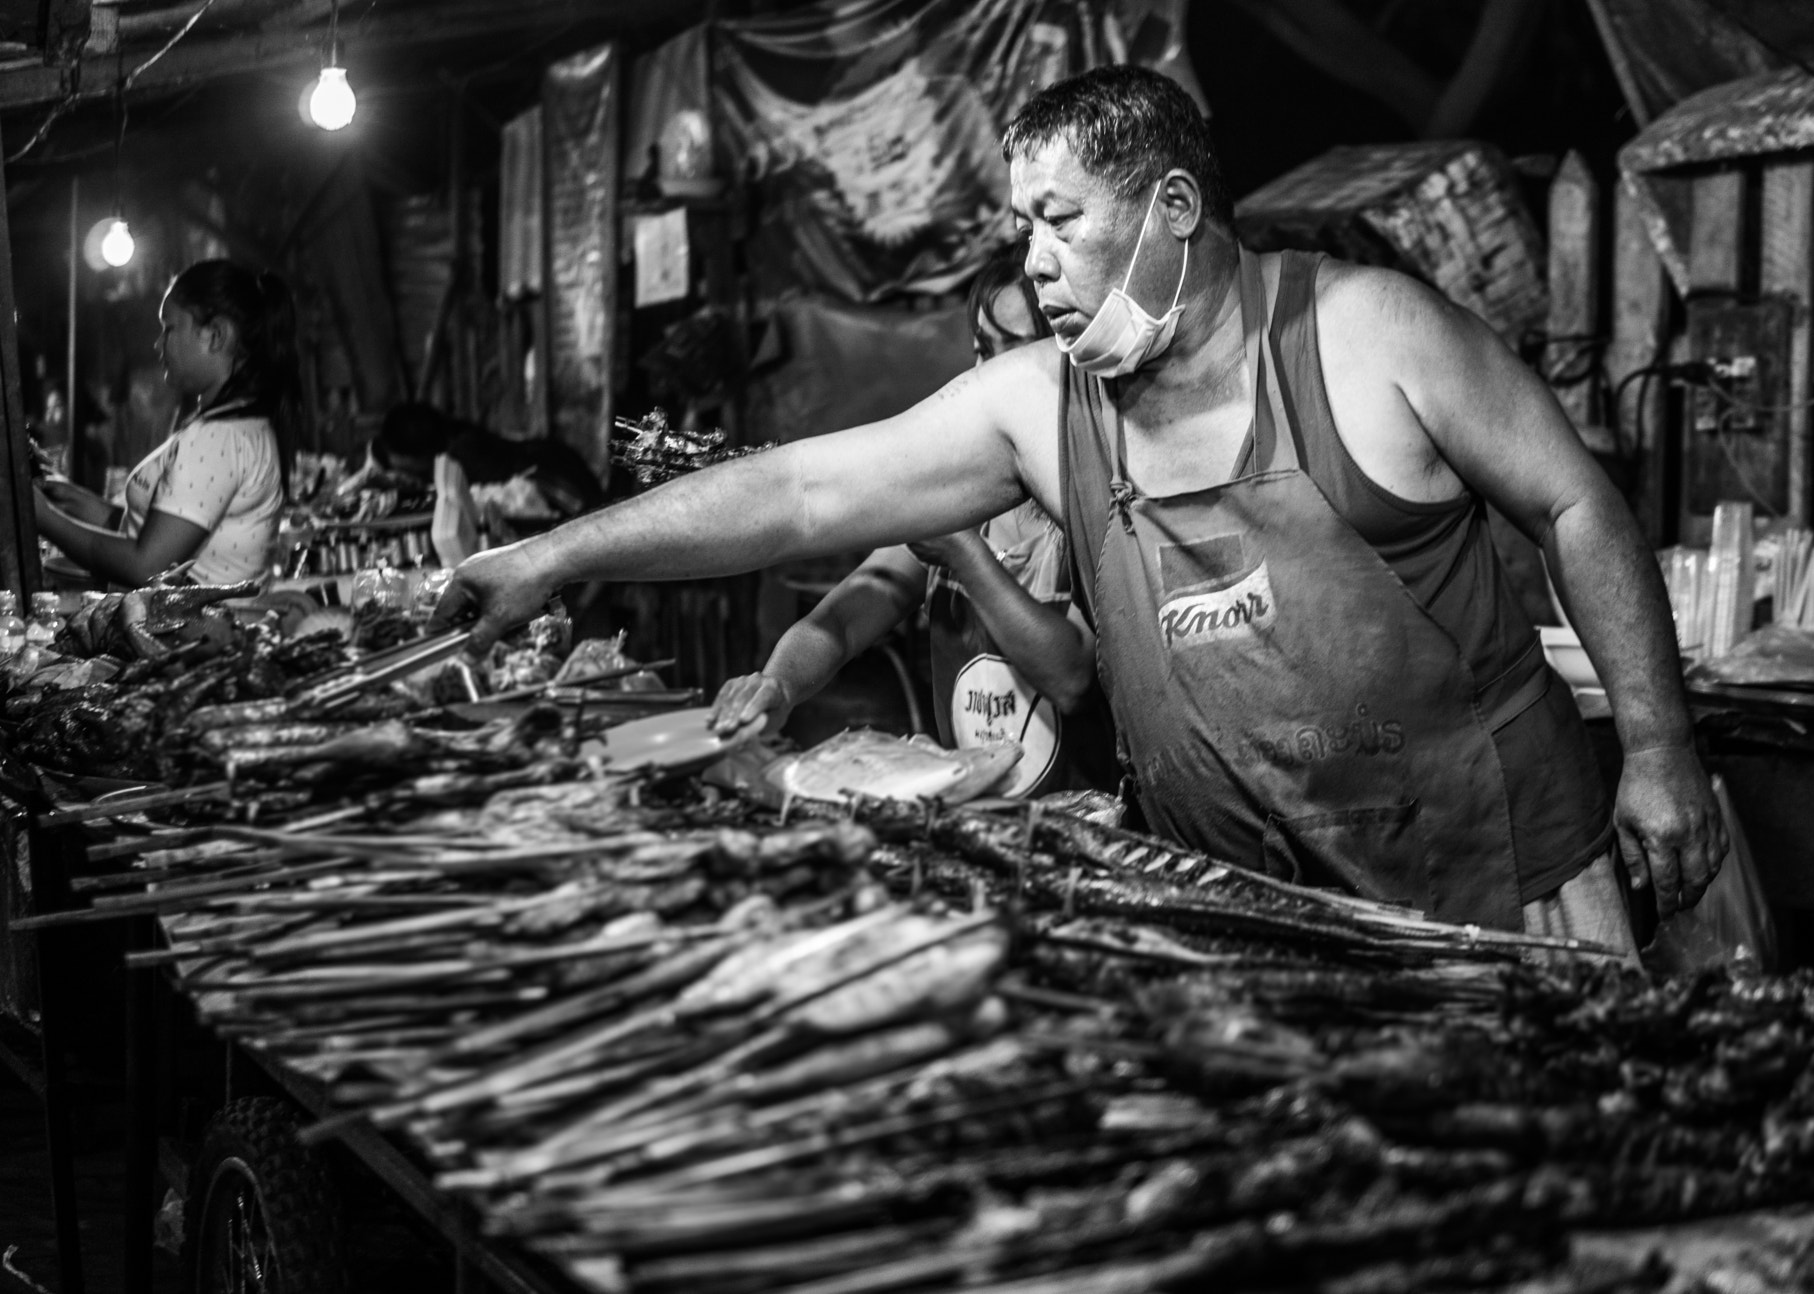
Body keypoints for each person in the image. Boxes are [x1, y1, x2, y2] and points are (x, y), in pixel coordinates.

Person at [436, 66, 1726, 945]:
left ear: (1172, 207)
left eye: (1059, 221)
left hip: (1492, 888)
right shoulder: (1031, 404)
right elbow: (801, 487)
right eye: (1021, 228)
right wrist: (552, 555)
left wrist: (1661, 749)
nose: (1035, 263)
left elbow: (1574, 503)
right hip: (1238, 912)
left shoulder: (1363, 333)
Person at [710, 250, 1118, 798]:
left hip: (1084, 822)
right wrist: (778, 683)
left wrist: (964, 554)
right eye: (980, 352)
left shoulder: (1094, 498)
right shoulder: (957, 492)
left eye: (1012, 352)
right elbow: (845, 620)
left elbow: (1070, 677)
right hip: (973, 818)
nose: (987, 378)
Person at [34, 260, 298, 587]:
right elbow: (154, 529)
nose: (158, 344)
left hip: (188, 634)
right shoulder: (240, 426)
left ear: (216, 336)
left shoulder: (218, 439)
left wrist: (42, 518)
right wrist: (71, 500)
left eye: (169, 328)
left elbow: (146, 566)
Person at [374, 402, 606, 518]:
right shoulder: (459, 438)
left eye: (405, 467)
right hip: (562, 471)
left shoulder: (464, 458)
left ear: (421, 453)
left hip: (572, 499)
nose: (406, 475)